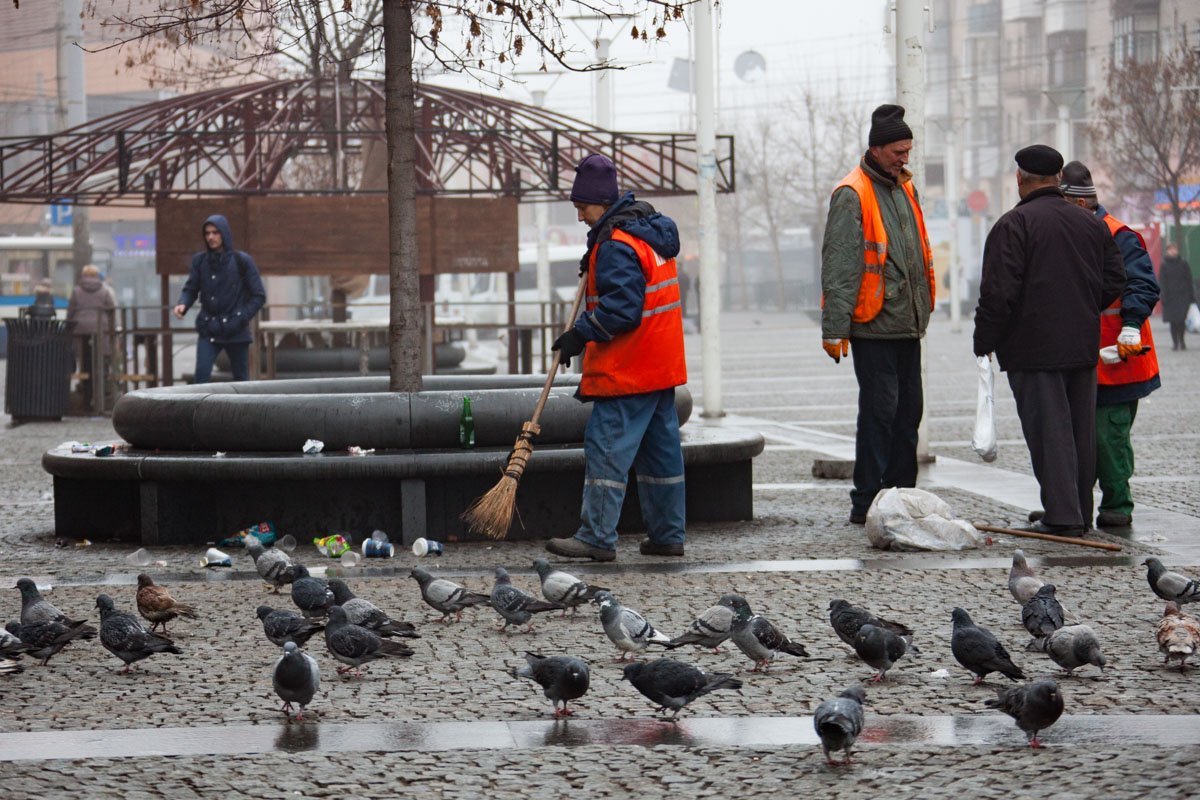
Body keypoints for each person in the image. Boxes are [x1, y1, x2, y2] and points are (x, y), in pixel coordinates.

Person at [973, 146, 1125, 536]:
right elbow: (1115, 280)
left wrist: (984, 339)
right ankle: (1078, 511)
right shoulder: (1091, 224)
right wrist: (1082, 307)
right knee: (1079, 433)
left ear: (1020, 178)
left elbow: (998, 292)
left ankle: (1062, 517)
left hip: (1033, 347)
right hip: (1080, 345)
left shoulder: (1014, 225)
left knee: (1049, 434)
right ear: (1059, 178)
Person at [544, 153, 688, 562]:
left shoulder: (617, 246)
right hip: (661, 366)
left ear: (602, 203)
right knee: (661, 455)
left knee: (606, 448)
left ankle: (596, 536)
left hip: (629, 368)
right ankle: (667, 535)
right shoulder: (648, 234)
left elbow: (623, 309)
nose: (579, 217)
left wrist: (579, 335)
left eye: (583, 208)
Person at [820, 103, 935, 525]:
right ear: (877, 148)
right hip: (873, 324)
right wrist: (834, 328)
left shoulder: (905, 188)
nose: (905, 158)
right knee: (879, 416)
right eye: (898, 151)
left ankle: (902, 496)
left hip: (907, 324)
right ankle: (866, 499)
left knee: (909, 415)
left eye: (908, 150)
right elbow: (840, 264)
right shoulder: (852, 193)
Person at [1054, 161, 1160, 529]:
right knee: (1079, 438)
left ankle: (1116, 506)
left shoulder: (1119, 235)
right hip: (1083, 357)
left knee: (1108, 438)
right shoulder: (1074, 231)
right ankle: (1075, 504)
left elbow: (1143, 284)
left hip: (1120, 360)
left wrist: (1130, 326)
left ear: (1079, 202)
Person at [173, 214, 266, 383]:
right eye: (207, 233)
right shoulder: (200, 261)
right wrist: (183, 304)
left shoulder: (242, 261)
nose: (211, 237)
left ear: (224, 234)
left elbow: (259, 296)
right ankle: (201, 410)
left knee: (241, 381)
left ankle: (242, 410)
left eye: (216, 232)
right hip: (209, 328)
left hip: (236, 329)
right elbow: (191, 288)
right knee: (201, 377)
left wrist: (241, 317)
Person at [67, 264, 118, 405]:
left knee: (85, 363)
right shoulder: (104, 291)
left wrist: (68, 327)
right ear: (97, 276)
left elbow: (70, 311)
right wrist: (112, 328)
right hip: (101, 330)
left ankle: (86, 396)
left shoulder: (76, 291)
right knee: (100, 362)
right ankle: (100, 397)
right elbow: (111, 309)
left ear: (83, 276)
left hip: (81, 331)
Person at [1160, 242, 1195, 351]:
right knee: (1173, 322)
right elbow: (1162, 281)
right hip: (1170, 297)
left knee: (1181, 320)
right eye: (1170, 249)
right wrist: (1163, 295)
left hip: (1183, 296)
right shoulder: (1164, 265)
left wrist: (1191, 295)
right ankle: (1175, 343)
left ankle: (1182, 341)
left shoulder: (1183, 263)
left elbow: (1189, 279)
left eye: (1174, 249)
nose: (1173, 251)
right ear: (1167, 251)